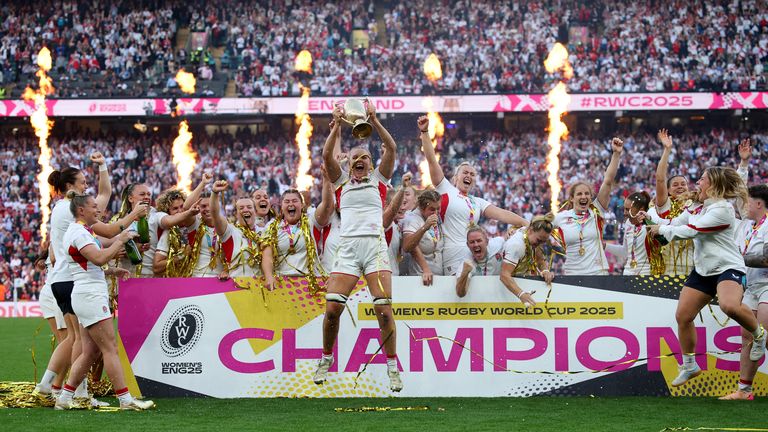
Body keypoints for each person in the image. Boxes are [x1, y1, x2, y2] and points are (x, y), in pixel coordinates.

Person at [648, 167, 766, 386]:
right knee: (683, 316)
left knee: (729, 306)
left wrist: (661, 231)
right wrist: (647, 219)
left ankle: (759, 335)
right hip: (703, 270)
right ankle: (690, 365)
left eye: (702, 179)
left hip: (728, 267)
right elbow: (675, 224)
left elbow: (692, 230)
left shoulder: (722, 209)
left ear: (713, 185)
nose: (697, 183)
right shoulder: (697, 207)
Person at [314, 101, 403, 392]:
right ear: (349, 163)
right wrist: (337, 124)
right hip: (349, 250)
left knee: (384, 310)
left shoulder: (379, 180)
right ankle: (326, 358)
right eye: (355, 157)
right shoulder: (341, 184)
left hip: (375, 248)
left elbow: (390, 149)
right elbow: (327, 154)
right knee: (331, 311)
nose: (360, 160)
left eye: (365, 156)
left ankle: (392, 366)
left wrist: (374, 120)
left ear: (370, 162)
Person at [43, 161, 144, 405]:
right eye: (93, 207)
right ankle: (124, 399)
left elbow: (88, 261)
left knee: (89, 349)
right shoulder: (77, 227)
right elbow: (100, 252)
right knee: (106, 346)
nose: (98, 210)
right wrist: (122, 239)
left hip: (80, 287)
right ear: (80, 209)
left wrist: (111, 271)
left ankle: (66, 394)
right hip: (86, 292)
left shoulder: (77, 225)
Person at [418, 115, 527, 275]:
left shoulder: (477, 202)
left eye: (472, 174)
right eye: (465, 172)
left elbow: (502, 214)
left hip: (474, 253)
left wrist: (527, 224)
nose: (469, 175)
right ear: (455, 178)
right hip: (452, 255)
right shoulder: (445, 189)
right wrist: (425, 132)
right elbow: (432, 160)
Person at [720, 184, 768, 399]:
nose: (744, 205)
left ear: (758, 204)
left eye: (748, 202)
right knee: (748, 337)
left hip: (767, 284)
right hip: (750, 286)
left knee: (764, 335)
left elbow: (767, 259)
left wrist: (737, 258)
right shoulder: (747, 226)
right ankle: (744, 390)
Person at [554, 137, 624, 275]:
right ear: (572, 198)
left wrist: (616, 154)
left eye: (587, 194)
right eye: (579, 194)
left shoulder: (596, 210)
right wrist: (517, 230)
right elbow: (537, 228)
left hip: (598, 273)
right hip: (572, 275)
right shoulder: (561, 217)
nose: (584, 197)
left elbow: (608, 181)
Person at [260, 186, 331, 286]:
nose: (291, 204)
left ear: (302, 205)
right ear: (281, 205)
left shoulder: (311, 221)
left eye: (294, 201)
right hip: (281, 283)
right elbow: (267, 255)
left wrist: (326, 181)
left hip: (309, 283)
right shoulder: (271, 227)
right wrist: (269, 276)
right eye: (287, 201)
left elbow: (326, 206)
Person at [650, 129, 695, 275]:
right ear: (668, 191)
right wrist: (667, 150)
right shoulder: (665, 205)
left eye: (683, 184)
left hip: (695, 267)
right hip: (668, 269)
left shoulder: (695, 206)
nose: (680, 187)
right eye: (675, 185)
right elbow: (660, 179)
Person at [494, 214, 556, 303]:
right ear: (530, 230)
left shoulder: (533, 235)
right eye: (539, 240)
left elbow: (540, 259)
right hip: (505, 290)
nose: (540, 244)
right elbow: (504, 275)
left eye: (543, 241)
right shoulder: (517, 245)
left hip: (522, 283)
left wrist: (545, 271)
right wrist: (521, 294)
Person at [211, 180, 264, 278]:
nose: (245, 210)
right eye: (241, 208)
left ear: (255, 212)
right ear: (236, 214)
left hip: (260, 289)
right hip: (236, 288)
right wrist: (214, 193)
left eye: (249, 207)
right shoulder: (229, 231)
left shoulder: (264, 232)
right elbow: (215, 214)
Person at [606, 192, 664, 276]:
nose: (624, 213)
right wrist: (605, 246)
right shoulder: (628, 223)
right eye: (624, 209)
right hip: (628, 273)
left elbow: (663, 243)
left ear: (641, 210)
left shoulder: (651, 223)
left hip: (646, 273)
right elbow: (625, 252)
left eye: (628, 209)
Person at [402, 189, 444, 285]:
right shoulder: (412, 219)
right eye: (432, 209)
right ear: (421, 208)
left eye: (438, 208)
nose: (436, 213)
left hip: (438, 277)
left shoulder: (438, 218)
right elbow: (407, 246)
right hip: (420, 277)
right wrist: (425, 227)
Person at [455, 226, 505, 297]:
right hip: (480, 299)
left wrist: (511, 231)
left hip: (501, 294)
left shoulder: (498, 244)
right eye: (472, 242)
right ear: (467, 245)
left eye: (479, 241)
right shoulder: (466, 261)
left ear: (487, 242)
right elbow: (460, 293)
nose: (476, 245)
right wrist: (465, 273)